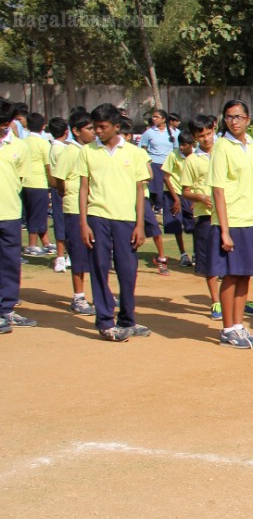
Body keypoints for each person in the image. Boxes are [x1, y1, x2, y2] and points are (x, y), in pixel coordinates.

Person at [78, 102, 151, 341]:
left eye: (102, 127)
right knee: (99, 268)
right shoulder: (87, 151)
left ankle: (127, 320)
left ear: (116, 127)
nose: (97, 131)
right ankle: (105, 322)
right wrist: (83, 223)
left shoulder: (135, 153)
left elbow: (140, 191)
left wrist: (140, 225)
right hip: (97, 217)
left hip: (126, 220)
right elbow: (83, 188)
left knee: (128, 270)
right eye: (95, 127)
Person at [210, 99, 253, 349]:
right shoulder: (222, 147)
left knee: (245, 275)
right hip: (231, 220)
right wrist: (224, 231)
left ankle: (238, 325)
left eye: (238, 117)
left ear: (248, 119)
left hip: (250, 219)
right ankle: (227, 328)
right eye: (229, 117)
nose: (233, 121)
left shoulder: (252, 148)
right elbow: (218, 190)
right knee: (231, 276)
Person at [49, 111, 96, 315]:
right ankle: (78, 297)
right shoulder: (70, 151)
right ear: (76, 131)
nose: (94, 132)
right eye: (89, 129)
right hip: (75, 209)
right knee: (78, 252)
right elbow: (58, 178)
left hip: (92, 208)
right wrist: (66, 191)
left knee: (95, 253)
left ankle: (99, 293)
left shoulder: (91, 150)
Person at [179, 114, 223, 322]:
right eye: (201, 135)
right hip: (205, 215)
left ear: (214, 129)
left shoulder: (224, 151)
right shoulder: (192, 160)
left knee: (234, 259)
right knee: (209, 260)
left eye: (208, 133)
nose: (206, 138)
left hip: (230, 214)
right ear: (195, 138)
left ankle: (235, 298)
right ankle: (216, 301)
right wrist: (201, 197)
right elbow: (185, 191)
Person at [0, 99, 37, 333]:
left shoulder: (20, 146)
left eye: (6, 124)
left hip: (10, 212)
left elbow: (21, 179)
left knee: (10, 263)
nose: (4, 128)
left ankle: (6, 309)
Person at [20, 113, 53, 257]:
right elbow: (48, 165)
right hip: (39, 183)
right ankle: (32, 245)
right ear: (43, 126)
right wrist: (52, 184)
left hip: (25, 183)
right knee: (37, 215)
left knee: (35, 214)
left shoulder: (23, 142)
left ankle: (45, 242)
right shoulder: (43, 143)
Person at [160, 130, 195, 267]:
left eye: (185, 145)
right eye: (180, 144)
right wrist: (176, 199)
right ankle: (183, 254)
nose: (181, 147)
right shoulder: (173, 155)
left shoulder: (197, 156)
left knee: (193, 224)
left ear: (192, 144)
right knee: (176, 224)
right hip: (172, 193)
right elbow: (166, 177)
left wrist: (194, 199)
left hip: (190, 194)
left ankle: (196, 253)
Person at [46, 116, 71, 269]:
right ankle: (63, 257)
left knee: (61, 222)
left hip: (57, 188)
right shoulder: (61, 149)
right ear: (66, 132)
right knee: (65, 222)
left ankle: (62, 257)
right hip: (63, 188)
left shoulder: (54, 146)